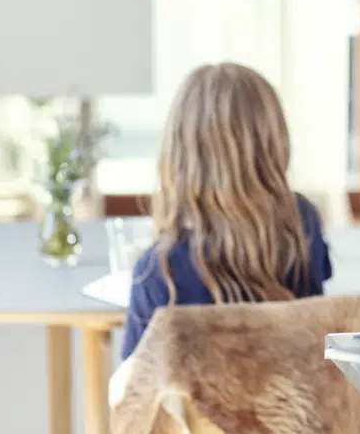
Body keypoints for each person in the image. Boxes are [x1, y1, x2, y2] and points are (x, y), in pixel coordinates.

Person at [120, 62, 333, 359]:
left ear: (178, 153)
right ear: (275, 143)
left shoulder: (157, 271)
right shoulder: (302, 222)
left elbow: (134, 384)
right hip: (295, 389)